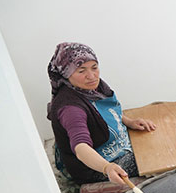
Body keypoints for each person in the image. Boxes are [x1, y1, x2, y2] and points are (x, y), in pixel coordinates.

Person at [47, 42, 155, 185]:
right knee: (154, 158)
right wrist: (107, 167)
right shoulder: (70, 109)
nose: (91, 76)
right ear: (66, 74)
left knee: (154, 138)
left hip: (114, 146)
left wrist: (129, 122)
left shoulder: (92, 87)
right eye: (81, 71)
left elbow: (104, 111)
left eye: (94, 67)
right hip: (94, 166)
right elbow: (81, 148)